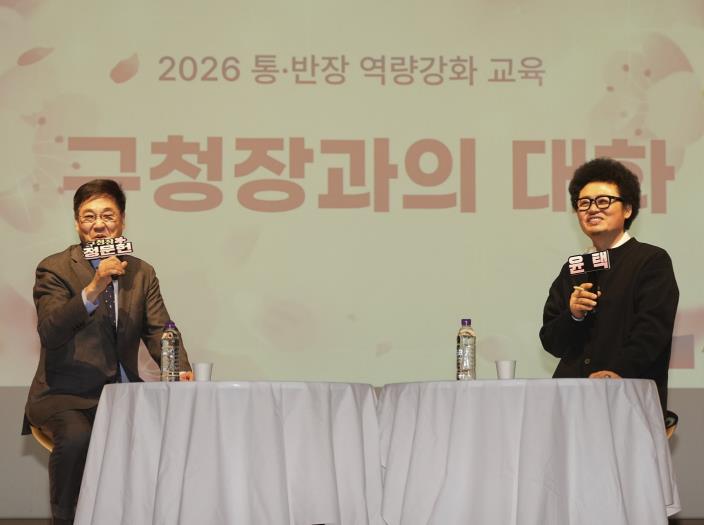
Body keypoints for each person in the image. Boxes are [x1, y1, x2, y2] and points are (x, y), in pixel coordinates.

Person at [22, 179, 191, 524]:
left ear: (122, 221)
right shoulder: (54, 268)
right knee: (78, 439)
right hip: (65, 394)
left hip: (122, 395)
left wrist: (180, 370)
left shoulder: (141, 272)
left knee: (173, 439)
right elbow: (51, 331)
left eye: (108, 216)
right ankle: (66, 519)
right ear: (77, 224)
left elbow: (159, 329)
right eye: (89, 217)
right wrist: (93, 287)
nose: (98, 224)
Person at [539, 157, 678, 414]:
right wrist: (573, 315)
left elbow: (652, 331)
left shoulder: (650, 260)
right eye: (583, 203)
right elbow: (551, 341)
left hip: (627, 398)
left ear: (627, 209)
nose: (592, 209)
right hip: (571, 401)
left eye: (603, 201)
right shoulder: (574, 267)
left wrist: (616, 372)